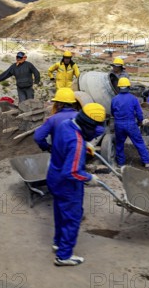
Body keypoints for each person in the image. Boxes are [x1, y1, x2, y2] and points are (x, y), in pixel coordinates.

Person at [47, 103, 105, 266]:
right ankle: (64, 256)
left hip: (53, 177)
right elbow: (71, 172)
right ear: (89, 126)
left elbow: (64, 142)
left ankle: (58, 243)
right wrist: (89, 178)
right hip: (67, 186)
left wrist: (85, 143)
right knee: (72, 218)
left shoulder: (66, 124)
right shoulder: (76, 143)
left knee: (60, 212)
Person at [111, 77, 149, 167]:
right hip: (130, 124)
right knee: (139, 142)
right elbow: (139, 113)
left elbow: (112, 112)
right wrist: (140, 121)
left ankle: (121, 163)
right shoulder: (133, 99)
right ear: (129, 87)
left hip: (118, 124)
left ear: (118, 87)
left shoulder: (114, 99)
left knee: (119, 144)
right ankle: (146, 161)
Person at [33, 88, 80, 152]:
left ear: (59, 104)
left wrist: (47, 147)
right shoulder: (80, 117)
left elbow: (38, 137)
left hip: (59, 154)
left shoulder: (53, 119)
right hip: (78, 154)